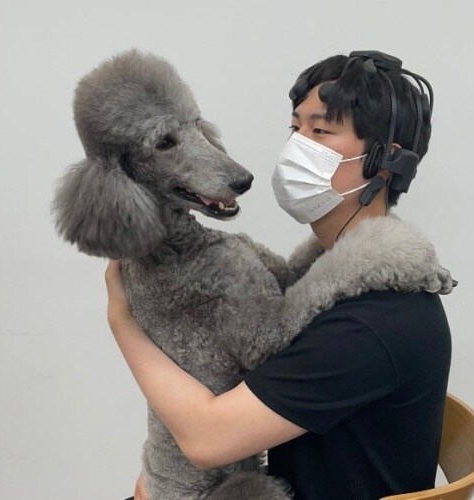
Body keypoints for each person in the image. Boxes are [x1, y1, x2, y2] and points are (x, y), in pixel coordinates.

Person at [108, 51, 452, 500]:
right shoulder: (346, 286)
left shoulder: (371, 324)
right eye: (296, 128)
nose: (297, 147)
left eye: (321, 131)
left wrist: (123, 319)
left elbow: (207, 440)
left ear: (385, 161)